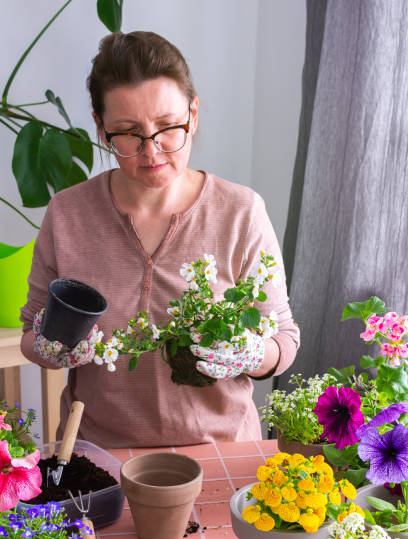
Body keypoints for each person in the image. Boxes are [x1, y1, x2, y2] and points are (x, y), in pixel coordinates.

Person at [20, 31, 299, 448]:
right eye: (128, 133)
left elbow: (284, 339)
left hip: (220, 453)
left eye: (169, 127)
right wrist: (53, 348)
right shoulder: (68, 214)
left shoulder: (241, 212)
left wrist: (254, 355)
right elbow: (31, 333)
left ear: (194, 113)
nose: (152, 151)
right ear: (100, 126)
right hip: (99, 455)